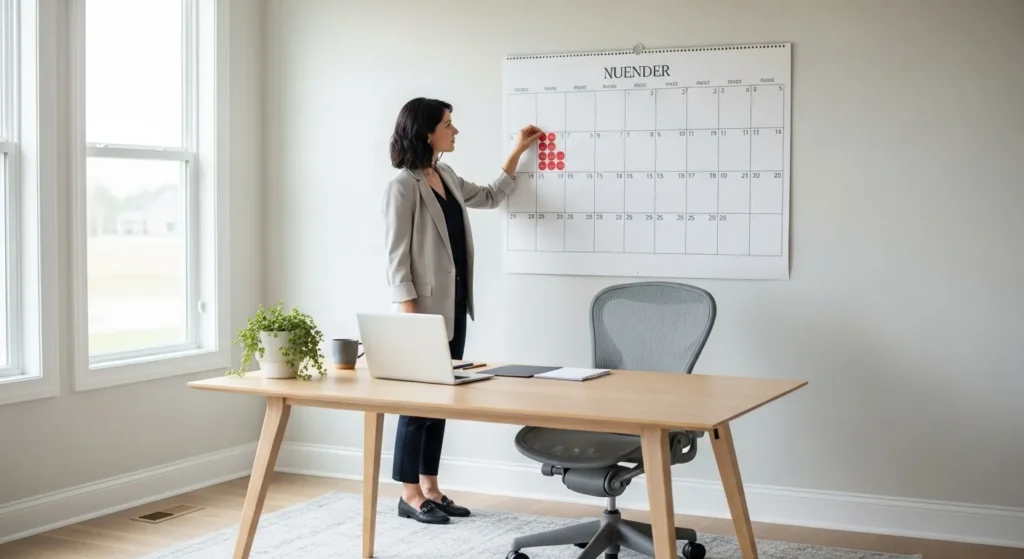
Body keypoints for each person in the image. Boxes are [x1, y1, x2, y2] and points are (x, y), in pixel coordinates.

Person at [381, 97, 542, 524]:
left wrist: (517, 152)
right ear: (426, 131)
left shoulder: (446, 175)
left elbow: (489, 197)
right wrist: (409, 314)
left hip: (453, 309)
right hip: (423, 313)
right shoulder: (403, 186)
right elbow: (397, 257)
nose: (455, 131)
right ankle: (409, 494)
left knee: (440, 403)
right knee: (417, 404)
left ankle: (431, 487)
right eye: (448, 124)